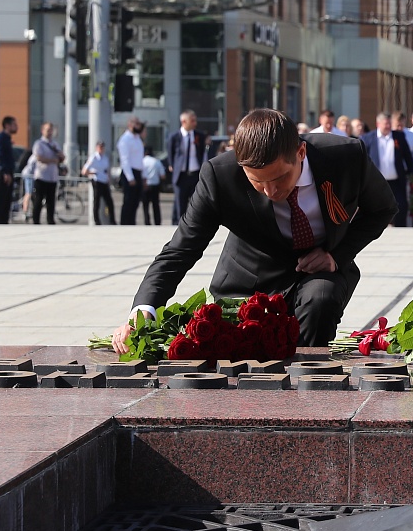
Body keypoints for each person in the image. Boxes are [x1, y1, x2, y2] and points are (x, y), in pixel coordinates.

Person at [111, 108, 396, 353]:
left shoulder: (345, 157)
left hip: (318, 272)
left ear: (300, 152)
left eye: (281, 177)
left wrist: (337, 255)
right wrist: (142, 312)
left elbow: (382, 208)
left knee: (321, 300)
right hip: (250, 282)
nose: (271, 191)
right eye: (257, 182)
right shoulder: (219, 177)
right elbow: (181, 249)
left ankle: (309, 389)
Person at [360, 112, 413, 227]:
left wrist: (412, 173)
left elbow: (407, 156)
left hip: (396, 180)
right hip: (377, 182)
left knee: (401, 205)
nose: (388, 126)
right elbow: (362, 158)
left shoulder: (399, 137)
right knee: (377, 206)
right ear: (378, 124)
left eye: (389, 124)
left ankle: (401, 228)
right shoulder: (368, 138)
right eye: (385, 124)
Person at [166, 110, 208, 224]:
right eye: (192, 121)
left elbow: (203, 153)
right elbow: (170, 154)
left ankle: (195, 224)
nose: (195, 123)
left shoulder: (200, 135)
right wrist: (172, 166)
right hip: (181, 174)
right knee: (180, 202)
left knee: (197, 201)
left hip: (195, 174)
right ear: (184, 121)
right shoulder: (174, 137)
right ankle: (179, 225)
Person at [30, 122, 65, 225]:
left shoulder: (54, 144)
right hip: (41, 176)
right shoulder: (39, 144)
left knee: (51, 201)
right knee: (38, 200)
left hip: (52, 177)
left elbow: (62, 157)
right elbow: (39, 158)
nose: (50, 132)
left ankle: (50, 220)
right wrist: (52, 160)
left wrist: (60, 156)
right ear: (42, 130)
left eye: (51, 130)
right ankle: (36, 221)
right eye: (47, 130)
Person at [117, 117, 146, 225]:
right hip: (129, 173)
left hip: (138, 172)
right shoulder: (125, 139)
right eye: (136, 124)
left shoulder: (137, 139)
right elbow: (125, 160)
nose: (139, 126)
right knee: (128, 200)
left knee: (136, 201)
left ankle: (131, 222)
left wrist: (143, 175)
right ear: (130, 124)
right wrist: (130, 178)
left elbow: (140, 159)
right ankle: (125, 223)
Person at [0, 116, 18, 224]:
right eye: (14, 125)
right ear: (7, 125)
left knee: (6, 202)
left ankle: (3, 224)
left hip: (7, 172)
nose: (16, 127)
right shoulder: (1, 138)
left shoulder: (7, 139)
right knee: (0, 202)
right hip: (2, 174)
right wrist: (5, 172)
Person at [82, 141, 116, 225]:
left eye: (102, 147)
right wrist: (92, 173)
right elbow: (84, 171)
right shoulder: (93, 158)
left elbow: (106, 170)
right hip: (97, 181)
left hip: (104, 181)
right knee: (97, 201)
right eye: (100, 147)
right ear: (96, 147)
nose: (101, 149)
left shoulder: (105, 158)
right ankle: (97, 220)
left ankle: (112, 220)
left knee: (109, 201)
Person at [141, 146, 164, 225]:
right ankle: (157, 222)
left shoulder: (142, 161)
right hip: (155, 185)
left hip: (145, 185)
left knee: (145, 205)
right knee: (156, 205)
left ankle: (147, 222)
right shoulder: (156, 161)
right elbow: (162, 175)